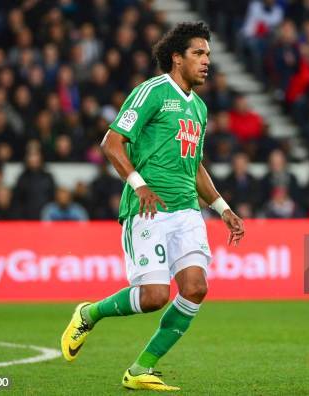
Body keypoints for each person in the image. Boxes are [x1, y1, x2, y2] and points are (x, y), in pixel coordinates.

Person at [60, 22, 245, 391]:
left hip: (187, 211)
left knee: (195, 288)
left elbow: (194, 165)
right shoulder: (152, 92)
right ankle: (89, 313)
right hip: (148, 209)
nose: (207, 61)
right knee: (155, 297)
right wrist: (139, 184)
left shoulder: (201, 110)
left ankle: (141, 368)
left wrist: (222, 207)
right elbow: (112, 143)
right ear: (177, 59)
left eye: (208, 54)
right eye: (198, 54)